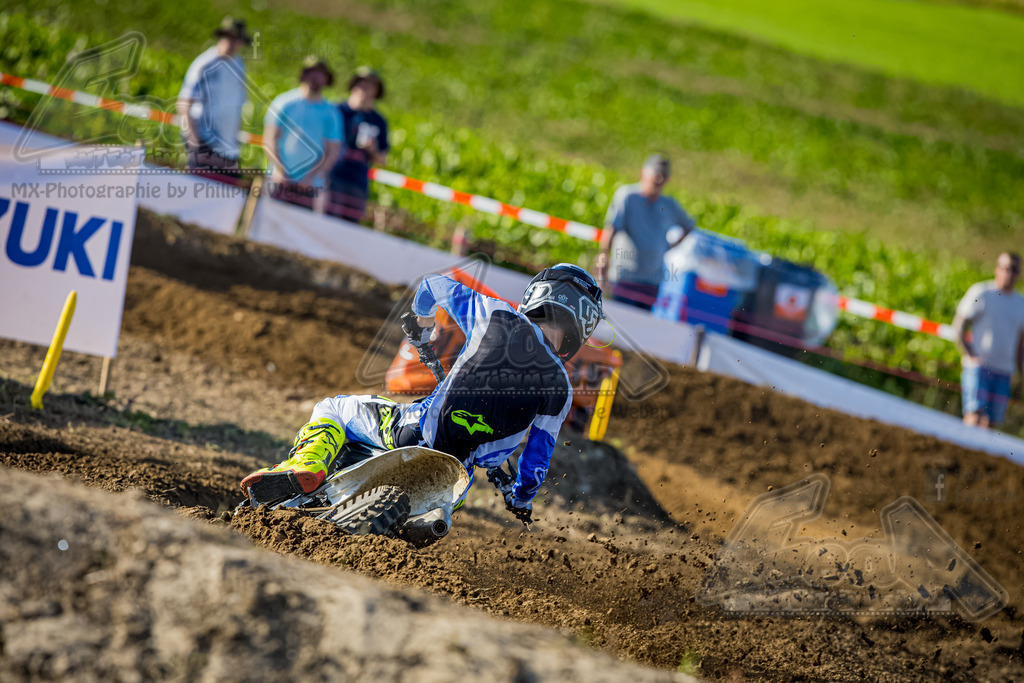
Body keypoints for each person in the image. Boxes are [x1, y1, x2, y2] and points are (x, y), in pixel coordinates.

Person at [240, 264, 604, 522]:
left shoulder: (496, 313)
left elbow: (431, 284)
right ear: (582, 325)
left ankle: (307, 465)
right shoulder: (561, 390)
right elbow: (535, 465)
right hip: (455, 480)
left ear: (540, 294)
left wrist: (421, 321)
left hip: (413, 433)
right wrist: (520, 498)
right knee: (448, 496)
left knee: (334, 407)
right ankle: (423, 519)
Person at [595, 154, 696, 311]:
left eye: (663, 176)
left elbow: (689, 226)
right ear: (644, 172)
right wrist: (602, 268)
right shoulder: (627, 197)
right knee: (617, 327)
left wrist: (668, 246)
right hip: (625, 277)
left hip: (652, 282)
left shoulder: (669, 204)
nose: (659, 179)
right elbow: (610, 232)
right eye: (656, 174)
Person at [953, 252, 1024, 429]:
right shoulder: (982, 292)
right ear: (997, 269)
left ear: (1019, 274)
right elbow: (959, 325)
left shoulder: (1020, 303)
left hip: (1004, 371)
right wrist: (970, 355)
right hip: (980, 367)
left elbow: (1021, 343)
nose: (1009, 273)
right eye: (1005, 268)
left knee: (990, 423)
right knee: (974, 415)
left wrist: (1020, 374)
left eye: (1014, 270)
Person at [263, 58, 343, 212]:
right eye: (312, 73)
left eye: (321, 74)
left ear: (327, 79)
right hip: (279, 180)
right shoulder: (284, 103)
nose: (316, 78)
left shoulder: (331, 112)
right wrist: (280, 170)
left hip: (310, 187)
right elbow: (269, 139)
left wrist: (311, 177)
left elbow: (332, 151)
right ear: (304, 75)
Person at [177, 17, 252, 176]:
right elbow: (184, 103)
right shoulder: (205, 63)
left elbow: (236, 104)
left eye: (237, 40)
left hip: (229, 146)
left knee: (229, 193)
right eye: (229, 38)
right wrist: (193, 140)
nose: (232, 44)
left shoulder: (239, 64)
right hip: (204, 141)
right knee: (199, 190)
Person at [327, 67, 389, 222]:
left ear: (376, 91)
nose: (366, 89)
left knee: (350, 226)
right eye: (362, 84)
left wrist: (373, 149)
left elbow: (382, 159)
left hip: (357, 181)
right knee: (327, 221)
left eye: (371, 85)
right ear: (354, 85)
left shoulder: (379, 121)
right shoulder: (337, 111)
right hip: (332, 174)